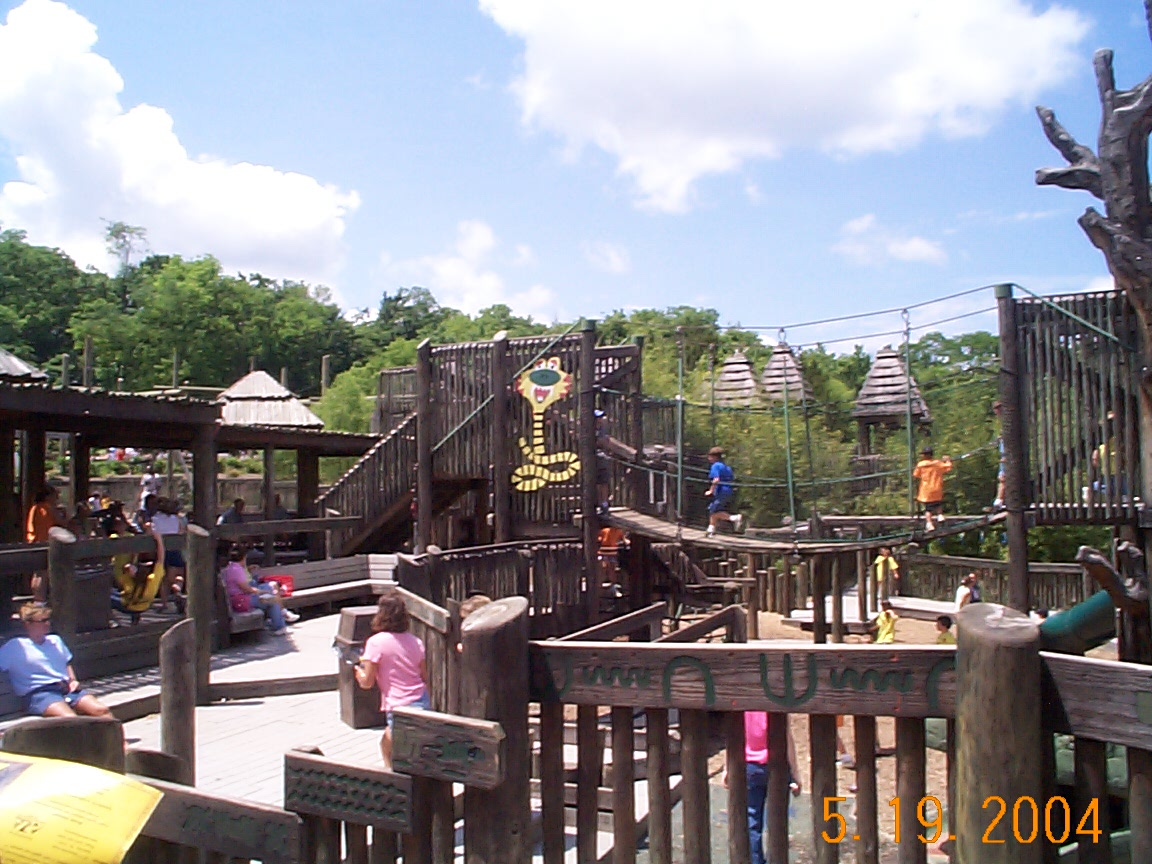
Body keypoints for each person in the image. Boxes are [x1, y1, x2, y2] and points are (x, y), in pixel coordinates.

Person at [354, 592, 429, 767]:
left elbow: (367, 683)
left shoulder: (375, 642)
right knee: (394, 743)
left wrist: (358, 672)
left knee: (395, 748)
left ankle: (391, 775)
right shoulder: (416, 641)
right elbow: (424, 676)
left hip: (398, 703)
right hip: (421, 699)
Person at [0, 603, 111, 718]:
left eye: (48, 619)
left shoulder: (55, 640)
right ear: (28, 624)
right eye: (42, 621)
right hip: (40, 693)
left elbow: (66, 662)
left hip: (65, 688)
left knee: (102, 710)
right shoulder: (15, 646)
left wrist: (72, 680)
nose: (47, 623)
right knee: (70, 718)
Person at [736, 711, 800, 864]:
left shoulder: (743, 706)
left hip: (750, 764)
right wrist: (794, 771)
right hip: (776, 765)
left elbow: (735, 737)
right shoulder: (777, 704)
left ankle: (756, 860)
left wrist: (727, 767)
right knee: (777, 818)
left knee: (752, 818)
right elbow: (787, 738)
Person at [221, 547, 288, 635]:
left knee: (270, 596)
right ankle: (279, 626)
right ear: (244, 557)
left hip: (238, 600)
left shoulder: (230, 568)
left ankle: (277, 623)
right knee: (272, 600)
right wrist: (261, 592)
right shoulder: (237, 570)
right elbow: (247, 589)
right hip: (241, 601)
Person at [111, 525, 166, 625]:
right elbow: (161, 559)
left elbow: (121, 586)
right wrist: (159, 540)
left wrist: (127, 571)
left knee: (105, 595)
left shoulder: (131, 581)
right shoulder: (153, 579)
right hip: (144, 606)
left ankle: (112, 620)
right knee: (118, 593)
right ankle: (135, 618)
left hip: (128, 606)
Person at [150, 498, 187, 612]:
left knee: (164, 578)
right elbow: (181, 531)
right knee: (179, 574)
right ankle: (178, 590)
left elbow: (151, 532)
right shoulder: (176, 519)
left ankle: (164, 603)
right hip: (175, 549)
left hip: (162, 551)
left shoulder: (154, 519)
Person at [25, 486, 59, 602]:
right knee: (43, 573)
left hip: (34, 542)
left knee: (37, 573)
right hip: (45, 542)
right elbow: (60, 522)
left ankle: (37, 598)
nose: (56, 498)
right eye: (54, 496)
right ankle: (41, 599)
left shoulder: (34, 508)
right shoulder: (47, 508)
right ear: (48, 496)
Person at [912, 447, 952, 531]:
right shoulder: (937, 463)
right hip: (937, 487)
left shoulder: (921, 464)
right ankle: (940, 515)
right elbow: (948, 467)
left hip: (926, 490)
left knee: (928, 509)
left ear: (924, 455)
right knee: (938, 503)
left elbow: (916, 474)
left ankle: (929, 524)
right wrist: (947, 460)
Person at [705, 447, 743, 535]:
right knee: (714, 509)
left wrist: (711, 490)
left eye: (710, 456)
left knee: (714, 511)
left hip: (720, 490)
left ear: (715, 457)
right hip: (728, 489)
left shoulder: (715, 466)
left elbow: (716, 479)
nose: (708, 458)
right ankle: (710, 530)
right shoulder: (727, 467)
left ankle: (734, 518)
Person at [598, 525, 627, 597]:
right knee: (604, 567)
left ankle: (613, 584)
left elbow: (624, 540)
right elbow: (599, 540)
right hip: (603, 553)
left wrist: (625, 541)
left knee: (612, 568)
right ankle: (600, 583)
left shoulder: (619, 532)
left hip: (613, 553)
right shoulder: (604, 531)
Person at [595, 409, 611, 515]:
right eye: (598, 417)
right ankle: (599, 504)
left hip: (602, 459)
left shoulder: (602, 429)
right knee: (596, 484)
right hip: (593, 460)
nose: (600, 419)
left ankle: (604, 504)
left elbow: (605, 442)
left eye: (600, 417)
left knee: (604, 483)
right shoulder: (588, 429)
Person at [991, 401, 1006, 511]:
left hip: (1007, 454)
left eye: (998, 408)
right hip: (1003, 452)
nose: (996, 411)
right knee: (1002, 477)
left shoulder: (1008, 420)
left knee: (1003, 478)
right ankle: (1000, 500)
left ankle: (999, 501)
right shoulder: (1001, 421)